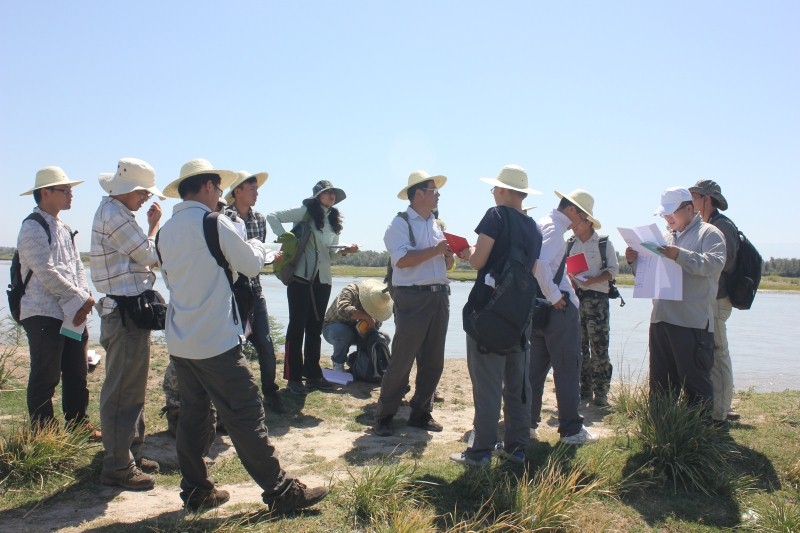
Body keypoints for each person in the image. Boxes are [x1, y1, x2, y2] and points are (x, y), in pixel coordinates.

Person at [157, 158, 327, 512]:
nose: (221, 194)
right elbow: (249, 265)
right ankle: (281, 492)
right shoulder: (214, 222)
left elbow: (171, 281)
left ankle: (196, 491)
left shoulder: (166, 230)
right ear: (208, 186)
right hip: (215, 339)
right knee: (246, 411)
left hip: (181, 340)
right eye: (219, 187)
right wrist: (261, 249)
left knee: (194, 416)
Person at [450, 164, 542, 467]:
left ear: (502, 190)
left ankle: (481, 452)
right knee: (517, 384)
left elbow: (479, 261)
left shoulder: (495, 215)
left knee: (487, 384)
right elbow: (527, 269)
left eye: (494, 189)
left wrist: (466, 254)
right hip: (520, 313)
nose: (493, 194)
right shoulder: (533, 227)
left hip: (489, 312)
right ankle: (517, 448)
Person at [90, 158, 164, 490]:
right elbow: (149, 255)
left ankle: (128, 452)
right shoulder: (115, 215)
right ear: (127, 189)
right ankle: (118, 464)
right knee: (124, 389)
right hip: (125, 313)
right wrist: (154, 228)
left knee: (130, 385)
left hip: (125, 310)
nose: (146, 198)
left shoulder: (116, 212)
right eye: (143, 192)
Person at [625, 187, 725, 413]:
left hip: (692, 322)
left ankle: (698, 432)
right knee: (660, 383)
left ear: (689, 208)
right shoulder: (664, 237)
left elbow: (714, 264)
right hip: (661, 319)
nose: (667, 218)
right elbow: (652, 274)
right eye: (664, 214)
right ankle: (662, 428)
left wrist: (678, 254)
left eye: (672, 213)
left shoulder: (709, 233)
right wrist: (635, 262)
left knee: (695, 385)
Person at [16, 167, 99, 438]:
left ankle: (78, 425)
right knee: (46, 374)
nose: (71, 194)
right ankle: (44, 433)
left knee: (77, 371)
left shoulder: (64, 228)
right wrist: (81, 299)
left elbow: (77, 267)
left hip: (71, 313)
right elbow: (46, 271)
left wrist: (83, 300)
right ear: (45, 193)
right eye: (65, 190)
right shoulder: (32, 226)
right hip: (43, 313)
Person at [373, 170, 454, 437]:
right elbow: (402, 261)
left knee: (433, 360)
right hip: (413, 297)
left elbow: (445, 265)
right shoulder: (399, 224)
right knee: (402, 359)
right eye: (434, 191)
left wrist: (449, 256)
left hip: (439, 296)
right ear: (418, 193)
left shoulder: (436, 224)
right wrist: (436, 250)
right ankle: (384, 415)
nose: (438, 195)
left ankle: (421, 413)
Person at [267, 181, 358, 395]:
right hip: (300, 277)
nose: (331, 195)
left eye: (333, 192)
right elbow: (273, 216)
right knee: (296, 327)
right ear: (317, 196)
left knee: (315, 328)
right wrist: (287, 240)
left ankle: (313, 375)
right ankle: (293, 378)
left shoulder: (334, 220)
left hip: (322, 280)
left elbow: (330, 255)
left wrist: (344, 252)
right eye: (327, 192)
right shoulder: (305, 212)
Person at [530, 189, 599, 445]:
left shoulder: (543, 224)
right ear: (571, 210)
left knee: (534, 371)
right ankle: (571, 430)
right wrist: (555, 296)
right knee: (568, 368)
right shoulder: (555, 229)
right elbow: (540, 265)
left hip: (539, 308)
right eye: (582, 217)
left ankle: (527, 424)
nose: (580, 223)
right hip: (557, 310)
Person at [225, 170, 285, 414]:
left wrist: (270, 256)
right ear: (237, 191)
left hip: (255, 290)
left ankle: (271, 393)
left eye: (257, 190)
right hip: (232, 292)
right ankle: (237, 397)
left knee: (266, 344)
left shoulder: (259, 219)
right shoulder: (224, 217)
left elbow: (259, 255)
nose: (256, 194)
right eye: (251, 189)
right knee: (233, 347)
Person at [690, 180, 740, 424]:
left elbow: (722, 263)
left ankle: (720, 412)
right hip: (709, 299)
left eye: (694, 198)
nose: (690, 203)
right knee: (711, 353)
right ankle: (717, 406)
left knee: (719, 353)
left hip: (718, 300)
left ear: (706, 199)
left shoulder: (721, 226)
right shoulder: (708, 225)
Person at [566, 208, 619, 407]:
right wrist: (572, 281)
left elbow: (613, 271)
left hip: (598, 300)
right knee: (579, 347)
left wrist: (593, 280)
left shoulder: (603, 243)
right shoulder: (570, 243)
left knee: (599, 347)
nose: (573, 225)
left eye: (576, 221)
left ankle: (601, 392)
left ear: (588, 222)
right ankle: (584, 389)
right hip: (577, 299)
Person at [322, 278, 393, 371]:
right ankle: (338, 363)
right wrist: (366, 317)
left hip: (358, 332)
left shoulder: (379, 305)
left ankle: (357, 361)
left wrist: (374, 323)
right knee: (344, 333)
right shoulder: (351, 290)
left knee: (384, 337)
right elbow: (342, 309)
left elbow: (377, 326)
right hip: (333, 328)